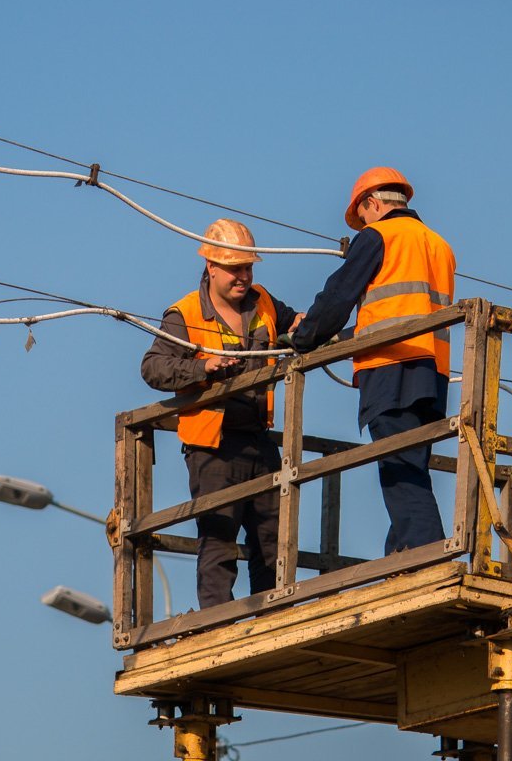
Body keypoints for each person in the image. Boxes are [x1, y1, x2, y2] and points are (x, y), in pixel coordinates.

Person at [286, 167, 456, 555]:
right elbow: (404, 309)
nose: (363, 223)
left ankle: (426, 557)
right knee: (409, 466)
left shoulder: (379, 236)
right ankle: (400, 554)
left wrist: (304, 337)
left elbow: (338, 296)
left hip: (390, 368)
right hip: (434, 373)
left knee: (401, 472)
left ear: (372, 204)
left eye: (363, 216)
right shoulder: (439, 246)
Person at [141, 219, 302, 608]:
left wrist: (311, 328)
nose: (243, 277)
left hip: (257, 439)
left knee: (271, 539)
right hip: (212, 445)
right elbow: (153, 367)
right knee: (219, 540)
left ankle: (272, 617)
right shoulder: (185, 313)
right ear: (211, 266)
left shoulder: (263, 302)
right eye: (234, 269)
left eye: (248, 268)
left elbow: (297, 324)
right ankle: (216, 623)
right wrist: (203, 368)